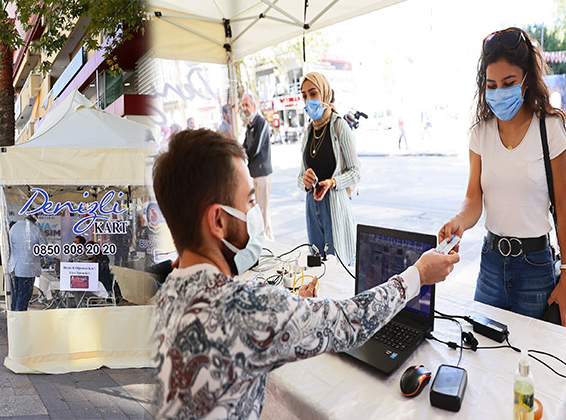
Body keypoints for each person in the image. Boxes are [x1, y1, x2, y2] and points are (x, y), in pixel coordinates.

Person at [151, 129, 459, 418]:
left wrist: (291, 306)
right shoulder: (246, 308)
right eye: (249, 201)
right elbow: (351, 321)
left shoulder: (164, 297)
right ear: (218, 221)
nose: (255, 212)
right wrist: (419, 273)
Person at [439, 27, 566, 325]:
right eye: (491, 85)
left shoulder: (550, 128)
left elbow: (563, 205)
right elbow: (473, 198)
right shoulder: (480, 133)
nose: (499, 93)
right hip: (491, 265)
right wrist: (458, 221)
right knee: (484, 362)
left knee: (533, 364)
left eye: (508, 83)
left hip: (536, 267)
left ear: (526, 80)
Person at [299, 72, 361, 264]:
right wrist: (306, 181)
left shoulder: (339, 126)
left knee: (338, 266)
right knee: (318, 267)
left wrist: (333, 182)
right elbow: (300, 176)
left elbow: (355, 172)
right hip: (312, 208)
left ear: (325, 93)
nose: (308, 100)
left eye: (313, 93)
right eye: (304, 96)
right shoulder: (308, 131)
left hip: (334, 206)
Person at [240, 92, 274, 240]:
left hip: (262, 172)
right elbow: (245, 144)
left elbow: (254, 148)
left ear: (254, 105)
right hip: (254, 172)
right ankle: (267, 239)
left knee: (262, 210)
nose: (245, 108)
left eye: (247, 105)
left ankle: (268, 241)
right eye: (243, 106)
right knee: (259, 210)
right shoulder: (250, 124)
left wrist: (243, 151)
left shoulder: (260, 122)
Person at [7, 215, 45, 311]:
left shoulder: (14, 227)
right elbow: (44, 249)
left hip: (13, 267)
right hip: (28, 269)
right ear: (35, 217)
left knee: (15, 297)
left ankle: (13, 322)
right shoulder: (37, 230)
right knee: (23, 298)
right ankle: (20, 322)